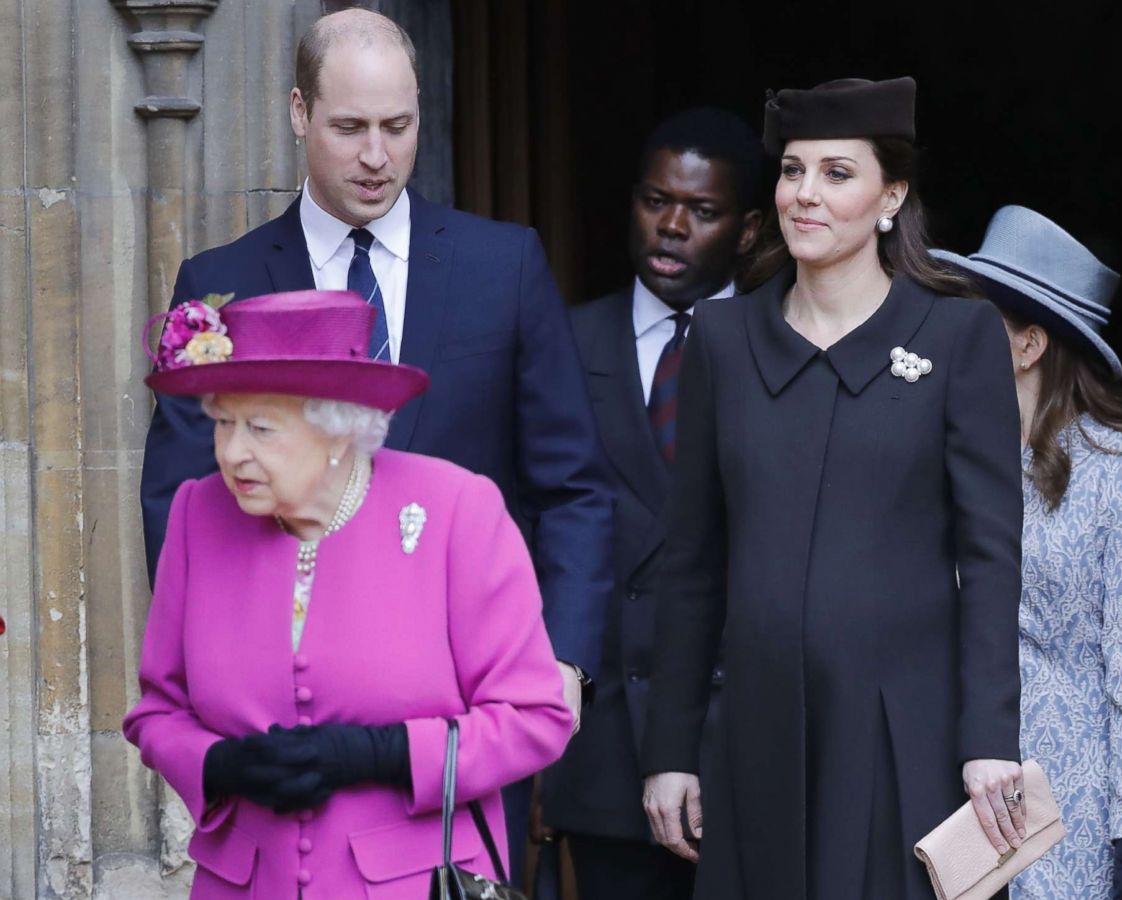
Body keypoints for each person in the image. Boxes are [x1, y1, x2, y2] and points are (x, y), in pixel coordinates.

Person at [136, 7, 610, 752]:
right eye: (351, 128)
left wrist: (565, 659)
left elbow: (574, 487)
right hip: (278, 706)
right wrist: (216, 674)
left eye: (398, 126)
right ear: (299, 113)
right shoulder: (221, 282)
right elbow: (180, 499)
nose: (378, 156)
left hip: (470, 701)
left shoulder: (505, 267)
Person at [640, 77, 1026, 900]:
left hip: (904, 734)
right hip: (755, 732)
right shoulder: (721, 337)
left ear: (892, 195)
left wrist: (989, 737)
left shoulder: (958, 338)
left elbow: (990, 556)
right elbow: (693, 562)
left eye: (836, 173)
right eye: (791, 171)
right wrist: (671, 750)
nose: (804, 195)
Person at [123, 290, 574, 899]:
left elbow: (536, 718)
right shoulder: (196, 514)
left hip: (414, 885)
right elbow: (158, 711)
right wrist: (218, 766)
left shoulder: (456, 510)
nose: (232, 453)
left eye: (260, 428)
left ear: (338, 428)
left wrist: (384, 753)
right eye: (223, 422)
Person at [933, 206, 1122, 900]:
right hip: (970, 805)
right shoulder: (949, 471)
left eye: (972, 321)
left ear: (1028, 344)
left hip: (1092, 816)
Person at [544, 107, 765, 900]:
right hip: (604, 755)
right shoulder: (561, 343)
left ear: (746, 230)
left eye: (702, 211)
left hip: (748, 750)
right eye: (654, 200)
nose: (671, 226)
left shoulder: (788, 347)